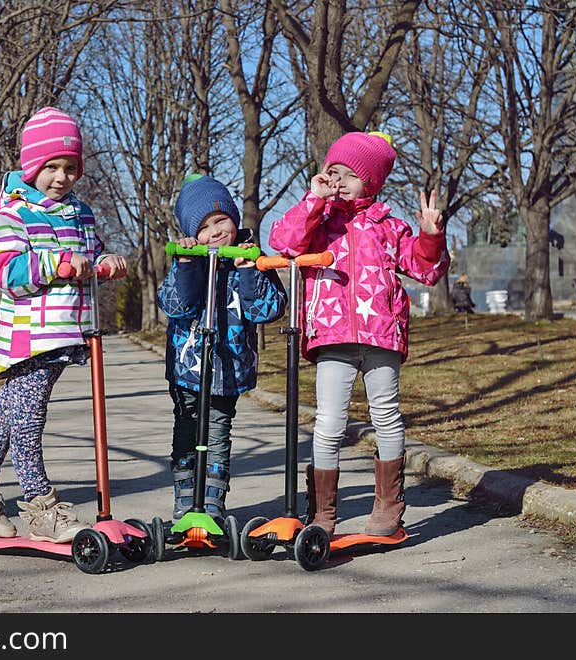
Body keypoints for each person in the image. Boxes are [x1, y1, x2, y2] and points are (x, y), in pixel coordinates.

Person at [0, 107, 127, 543]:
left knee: (8, 413)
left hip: (67, 331)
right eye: (51, 166)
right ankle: (40, 506)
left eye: (70, 167)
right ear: (33, 166)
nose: (61, 176)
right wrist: (57, 263)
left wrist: (106, 262)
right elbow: (2, 269)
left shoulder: (80, 214)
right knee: (27, 419)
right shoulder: (16, 214)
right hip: (30, 334)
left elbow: (93, 251)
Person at [269, 131, 450, 538]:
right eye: (332, 172)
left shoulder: (389, 226)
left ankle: (389, 506)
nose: (338, 181)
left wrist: (430, 236)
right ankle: (322, 513)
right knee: (329, 422)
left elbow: (426, 270)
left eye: (349, 175)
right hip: (331, 334)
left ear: (370, 182)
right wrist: (313, 199)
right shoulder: (319, 222)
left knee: (385, 415)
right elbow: (283, 242)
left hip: (381, 335)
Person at [159, 175, 286, 524]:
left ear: (234, 219)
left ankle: (212, 503)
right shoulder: (189, 259)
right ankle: (186, 501)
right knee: (186, 431)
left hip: (228, 369)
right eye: (204, 227)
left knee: (217, 433)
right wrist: (186, 265)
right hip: (189, 368)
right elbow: (174, 305)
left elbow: (268, 309)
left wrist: (249, 271)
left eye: (221, 221)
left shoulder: (251, 257)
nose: (215, 232)